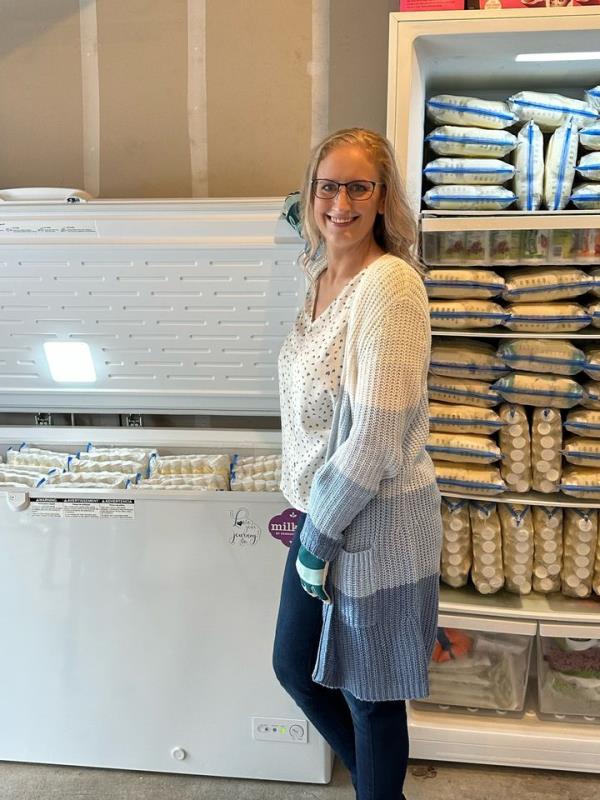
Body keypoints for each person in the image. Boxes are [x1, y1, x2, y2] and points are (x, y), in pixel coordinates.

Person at [272, 127, 442, 800]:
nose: (340, 203)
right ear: (311, 194)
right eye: (327, 187)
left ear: (381, 197)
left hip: (377, 524)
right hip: (317, 512)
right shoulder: (319, 279)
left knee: (371, 697)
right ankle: (379, 789)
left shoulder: (390, 287)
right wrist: (307, 519)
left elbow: (374, 439)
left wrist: (316, 540)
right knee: (296, 668)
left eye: (357, 187)